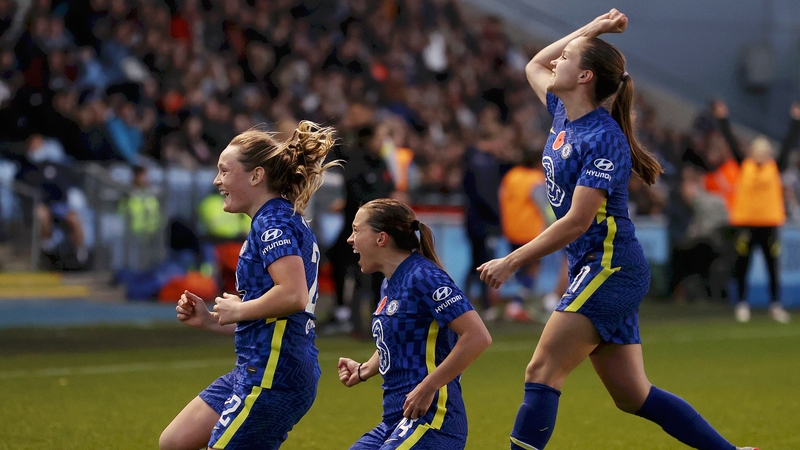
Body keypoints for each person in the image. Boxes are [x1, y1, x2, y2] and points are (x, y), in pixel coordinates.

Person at [477, 9, 757, 450]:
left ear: (584, 76)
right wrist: (595, 28)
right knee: (633, 396)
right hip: (602, 268)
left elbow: (577, 222)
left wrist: (512, 260)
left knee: (542, 371)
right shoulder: (561, 112)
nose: (556, 62)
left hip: (610, 268)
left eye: (566, 57)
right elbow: (533, 65)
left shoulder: (603, 136)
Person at [159, 120, 339, 450]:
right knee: (175, 441)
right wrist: (212, 320)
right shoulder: (276, 218)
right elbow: (278, 317)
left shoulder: (272, 222)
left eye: (225, 171)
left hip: (275, 372)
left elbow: (294, 295)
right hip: (260, 364)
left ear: (256, 176)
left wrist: (238, 309)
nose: (217, 181)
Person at [337, 198, 492, 449]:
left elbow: (477, 336)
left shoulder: (423, 276)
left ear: (381, 238)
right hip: (396, 420)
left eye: (356, 230)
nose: (350, 239)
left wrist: (427, 387)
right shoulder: (391, 280)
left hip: (432, 420)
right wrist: (364, 370)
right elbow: (399, 339)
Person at [712, 101, 800, 323]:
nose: (761, 155)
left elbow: (789, 144)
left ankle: (775, 305)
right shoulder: (745, 165)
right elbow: (732, 143)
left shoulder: (775, 167)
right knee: (743, 264)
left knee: (773, 266)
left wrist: (796, 121)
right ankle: (742, 304)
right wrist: (722, 118)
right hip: (747, 223)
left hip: (769, 224)